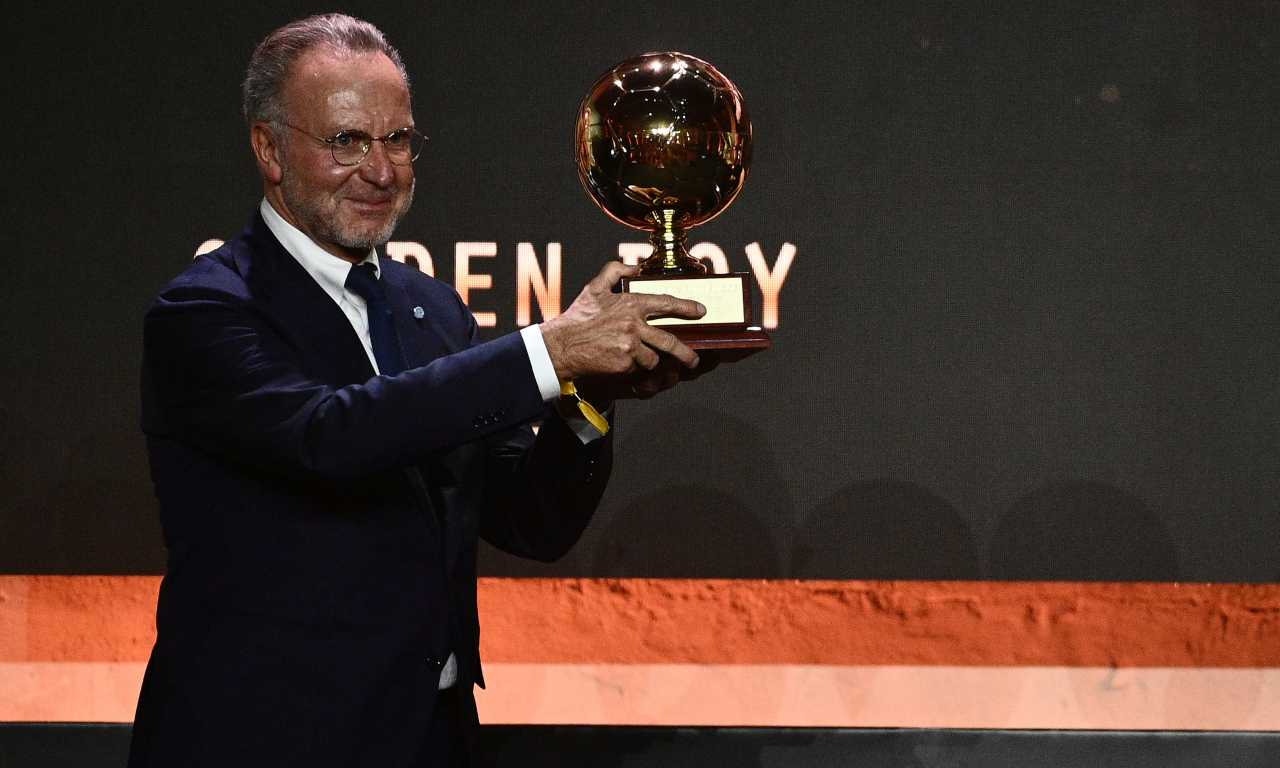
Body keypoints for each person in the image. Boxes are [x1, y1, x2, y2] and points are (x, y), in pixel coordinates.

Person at [128, 13, 708, 768]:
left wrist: (584, 396)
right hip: (263, 740)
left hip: (432, 740)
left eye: (397, 140)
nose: (381, 170)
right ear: (269, 149)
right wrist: (546, 348)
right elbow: (328, 437)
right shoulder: (206, 312)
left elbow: (530, 521)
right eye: (347, 142)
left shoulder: (433, 311)